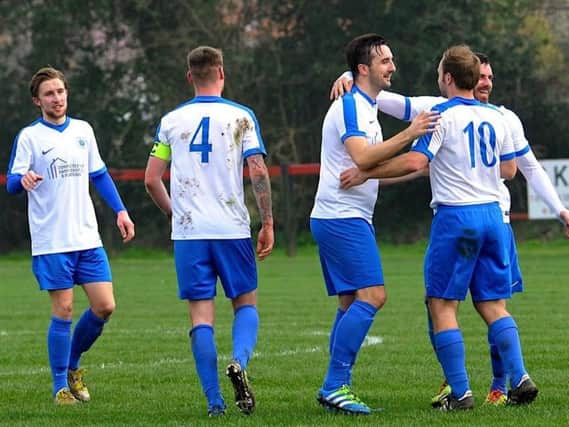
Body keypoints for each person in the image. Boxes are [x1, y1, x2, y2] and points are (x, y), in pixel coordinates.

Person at [333, 52, 569, 406]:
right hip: (495, 217)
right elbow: (512, 169)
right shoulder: (500, 117)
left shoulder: (441, 114)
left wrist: (368, 171)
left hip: (457, 217)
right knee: (493, 305)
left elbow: (414, 161)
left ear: (446, 79)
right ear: (476, 79)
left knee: (441, 305)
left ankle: (460, 392)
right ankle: (518, 376)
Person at [309, 33, 440, 415]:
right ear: (364, 69)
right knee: (374, 296)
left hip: (347, 217)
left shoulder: (366, 105)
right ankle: (334, 385)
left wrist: (411, 170)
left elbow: (367, 171)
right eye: (385, 61)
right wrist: (411, 133)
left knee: (350, 302)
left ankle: (337, 388)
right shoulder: (351, 105)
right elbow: (363, 158)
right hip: (341, 217)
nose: (393, 67)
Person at [144, 46, 274, 417]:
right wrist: (266, 223)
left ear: (190, 77)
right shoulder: (241, 117)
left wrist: (176, 214)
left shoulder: (171, 121)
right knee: (245, 305)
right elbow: (258, 170)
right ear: (222, 73)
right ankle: (239, 362)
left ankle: (215, 403)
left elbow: (151, 179)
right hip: (232, 228)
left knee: (201, 318)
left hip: (190, 234)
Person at [6, 67, 135, 405]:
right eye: (49, 94)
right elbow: (10, 183)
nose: (57, 98)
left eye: (60, 91)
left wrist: (121, 210)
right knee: (63, 310)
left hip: (87, 238)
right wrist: (24, 181)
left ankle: (73, 364)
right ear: (38, 101)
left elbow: (100, 174)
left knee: (105, 306)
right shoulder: (30, 137)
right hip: (52, 241)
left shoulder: (83, 130)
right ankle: (60, 388)